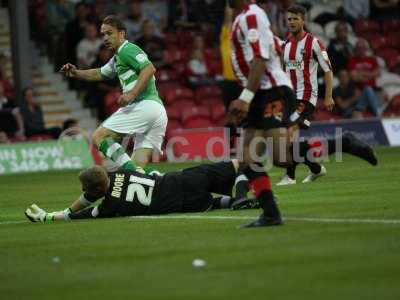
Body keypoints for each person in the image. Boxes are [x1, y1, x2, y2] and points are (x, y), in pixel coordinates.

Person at [60, 15, 167, 172]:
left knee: (99, 137)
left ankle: (133, 171)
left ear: (122, 33)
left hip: (144, 105)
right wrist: (76, 73)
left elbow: (149, 68)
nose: (105, 38)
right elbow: (99, 73)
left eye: (109, 33)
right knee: (136, 173)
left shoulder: (127, 50)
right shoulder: (118, 58)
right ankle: (162, 183)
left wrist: (131, 94)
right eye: (103, 34)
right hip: (157, 112)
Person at [228, 0, 297, 227]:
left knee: (281, 158)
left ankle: (344, 143)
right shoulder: (243, 17)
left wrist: (245, 98)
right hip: (259, 91)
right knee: (247, 161)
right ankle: (270, 214)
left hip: (269, 91)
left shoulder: (251, 16)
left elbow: (260, 58)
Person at [24, 159, 243, 222]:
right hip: (183, 179)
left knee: (211, 203)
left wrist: (50, 217)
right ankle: (244, 193)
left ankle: (234, 202)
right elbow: (89, 194)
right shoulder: (118, 173)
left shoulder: (110, 206)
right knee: (237, 165)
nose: (83, 190)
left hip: (186, 204)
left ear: (99, 189)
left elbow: (76, 216)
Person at [277, 4, 335, 186]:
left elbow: (328, 70)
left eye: (295, 18)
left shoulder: (314, 43)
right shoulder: (285, 45)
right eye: (289, 19)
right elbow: (282, 72)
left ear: (304, 20)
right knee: (288, 138)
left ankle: (290, 177)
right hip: (289, 97)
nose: (292, 22)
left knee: (290, 133)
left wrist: (328, 96)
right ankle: (316, 169)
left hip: (307, 96)